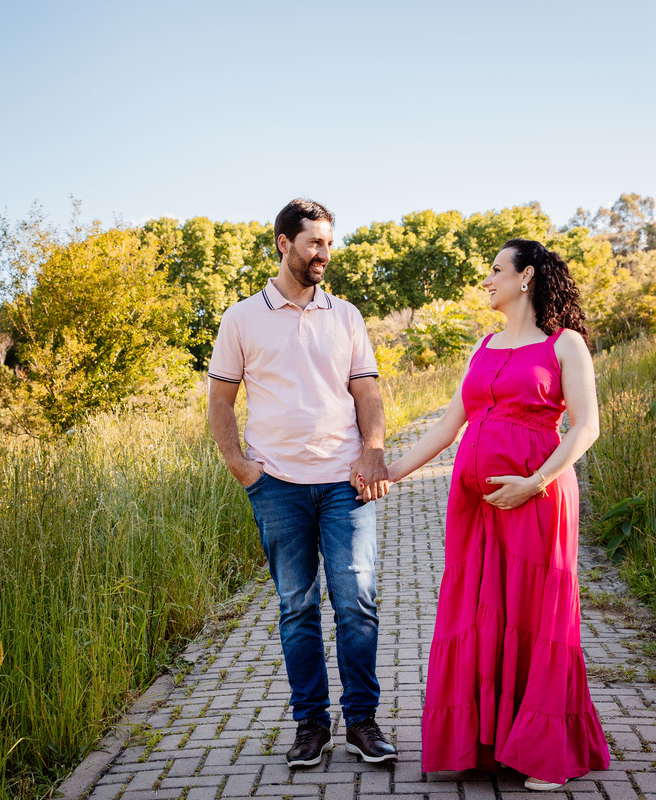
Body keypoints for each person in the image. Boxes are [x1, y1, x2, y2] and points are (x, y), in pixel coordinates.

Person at [383, 238, 610, 790]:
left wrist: (535, 483)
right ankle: (486, 743)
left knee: (536, 613)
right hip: (475, 509)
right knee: (480, 612)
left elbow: (586, 426)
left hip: (537, 498)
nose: (486, 280)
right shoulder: (482, 346)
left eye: (495, 270)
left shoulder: (564, 343)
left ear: (526, 276)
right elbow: (447, 426)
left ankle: (543, 753)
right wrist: (390, 472)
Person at [207, 198, 398, 768]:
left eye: (329, 243)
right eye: (315, 242)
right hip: (277, 485)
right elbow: (220, 399)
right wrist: (240, 465)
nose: (325, 254)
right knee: (297, 607)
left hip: (345, 481)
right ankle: (311, 724)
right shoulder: (242, 318)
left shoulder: (346, 315)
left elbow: (366, 391)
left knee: (356, 602)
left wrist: (374, 451)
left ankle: (362, 721)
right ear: (283, 243)